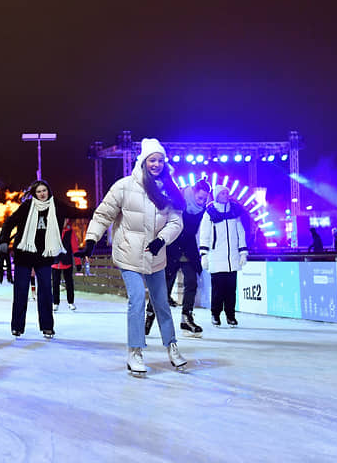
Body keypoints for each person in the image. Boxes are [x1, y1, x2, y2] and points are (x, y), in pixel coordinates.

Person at [76, 138, 187, 376]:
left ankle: (172, 346)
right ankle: (135, 351)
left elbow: (176, 221)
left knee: (162, 304)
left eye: (160, 160)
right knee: (137, 300)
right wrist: (91, 241)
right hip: (128, 254)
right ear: (143, 161)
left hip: (156, 256)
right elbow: (103, 214)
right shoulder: (124, 186)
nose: (156, 164)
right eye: (152, 160)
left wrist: (162, 239)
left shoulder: (169, 188)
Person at [0, 180, 73, 339]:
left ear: (48, 191)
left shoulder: (56, 206)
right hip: (24, 254)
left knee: (46, 291)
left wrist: (103, 210)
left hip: (43, 256)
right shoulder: (27, 206)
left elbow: (77, 212)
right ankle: (17, 326)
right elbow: (9, 222)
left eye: (44, 190)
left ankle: (47, 327)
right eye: (39, 191)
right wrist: (3, 240)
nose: (42, 194)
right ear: (34, 193)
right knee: (21, 291)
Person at [146, 179, 210, 338]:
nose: (201, 202)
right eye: (200, 198)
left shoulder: (202, 210)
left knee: (192, 282)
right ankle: (149, 317)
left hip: (188, 250)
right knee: (163, 287)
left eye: (204, 199)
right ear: (194, 192)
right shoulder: (178, 201)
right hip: (171, 248)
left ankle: (186, 319)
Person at [199, 184, 248, 327]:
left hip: (232, 258)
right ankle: (215, 314)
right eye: (222, 193)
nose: (226, 196)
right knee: (218, 289)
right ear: (216, 196)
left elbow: (240, 232)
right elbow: (205, 234)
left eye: (227, 193)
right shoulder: (210, 212)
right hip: (216, 257)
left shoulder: (234, 211)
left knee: (231, 290)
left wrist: (243, 252)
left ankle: (230, 315)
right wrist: (204, 254)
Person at [51, 219, 78, 311]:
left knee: (69, 283)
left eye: (65, 219)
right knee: (55, 283)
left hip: (67, 262)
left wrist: (77, 262)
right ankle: (55, 302)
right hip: (55, 262)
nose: (64, 221)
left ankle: (70, 302)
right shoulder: (53, 231)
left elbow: (75, 248)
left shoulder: (70, 232)